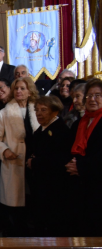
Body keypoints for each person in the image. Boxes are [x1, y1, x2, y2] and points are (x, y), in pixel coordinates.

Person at [0, 77, 40, 237]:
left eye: (22, 88)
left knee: (35, 203)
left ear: (30, 91)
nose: (18, 91)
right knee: (15, 207)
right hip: (14, 162)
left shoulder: (39, 110)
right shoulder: (4, 113)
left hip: (36, 164)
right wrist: (4, 151)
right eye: (16, 88)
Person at [28, 96, 72, 237]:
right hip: (42, 184)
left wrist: (34, 162)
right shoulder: (40, 130)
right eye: (37, 110)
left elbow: (60, 159)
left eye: (43, 110)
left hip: (55, 186)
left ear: (55, 112)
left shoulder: (60, 131)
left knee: (55, 224)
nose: (39, 113)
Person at [66, 79, 102, 235]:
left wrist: (80, 166)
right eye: (89, 95)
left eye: (98, 95)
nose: (92, 99)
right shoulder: (80, 122)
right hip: (81, 185)